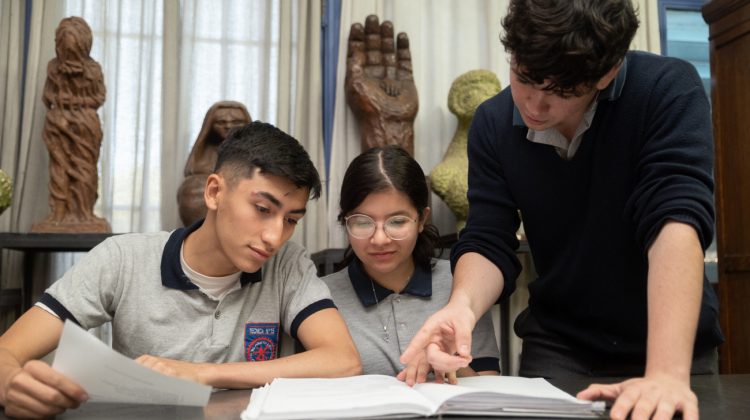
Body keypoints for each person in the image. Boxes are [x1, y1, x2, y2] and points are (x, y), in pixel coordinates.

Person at [401, 1, 723, 419]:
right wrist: (462, 305)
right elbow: (487, 237)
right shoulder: (493, 123)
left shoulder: (665, 89)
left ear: (607, 73)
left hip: (670, 343)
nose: (534, 105)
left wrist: (665, 372)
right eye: (524, 78)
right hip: (560, 345)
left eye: (561, 91)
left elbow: (675, 218)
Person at [0, 122, 361, 418]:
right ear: (215, 192)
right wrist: (14, 383)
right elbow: (6, 352)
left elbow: (342, 360)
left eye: (291, 220)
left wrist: (202, 374)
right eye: (263, 209)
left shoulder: (287, 265)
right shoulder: (122, 259)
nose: (274, 236)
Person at [323, 146, 499, 384]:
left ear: (421, 220)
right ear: (345, 223)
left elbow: (489, 388)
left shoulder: (462, 284)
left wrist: (448, 363)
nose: (380, 239)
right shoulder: (321, 297)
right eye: (362, 222)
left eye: (397, 221)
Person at [32, 16, 109, 233]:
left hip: (85, 125)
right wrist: (60, 102)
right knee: (59, 167)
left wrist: (78, 103)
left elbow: (99, 97)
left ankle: (84, 213)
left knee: (84, 168)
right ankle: (58, 213)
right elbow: (48, 97)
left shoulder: (93, 69)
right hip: (58, 123)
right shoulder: (53, 68)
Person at [178, 101, 252, 226]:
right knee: (191, 190)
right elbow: (193, 171)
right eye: (221, 122)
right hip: (209, 191)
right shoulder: (206, 149)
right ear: (210, 125)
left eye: (236, 122)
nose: (228, 126)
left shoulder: (253, 150)